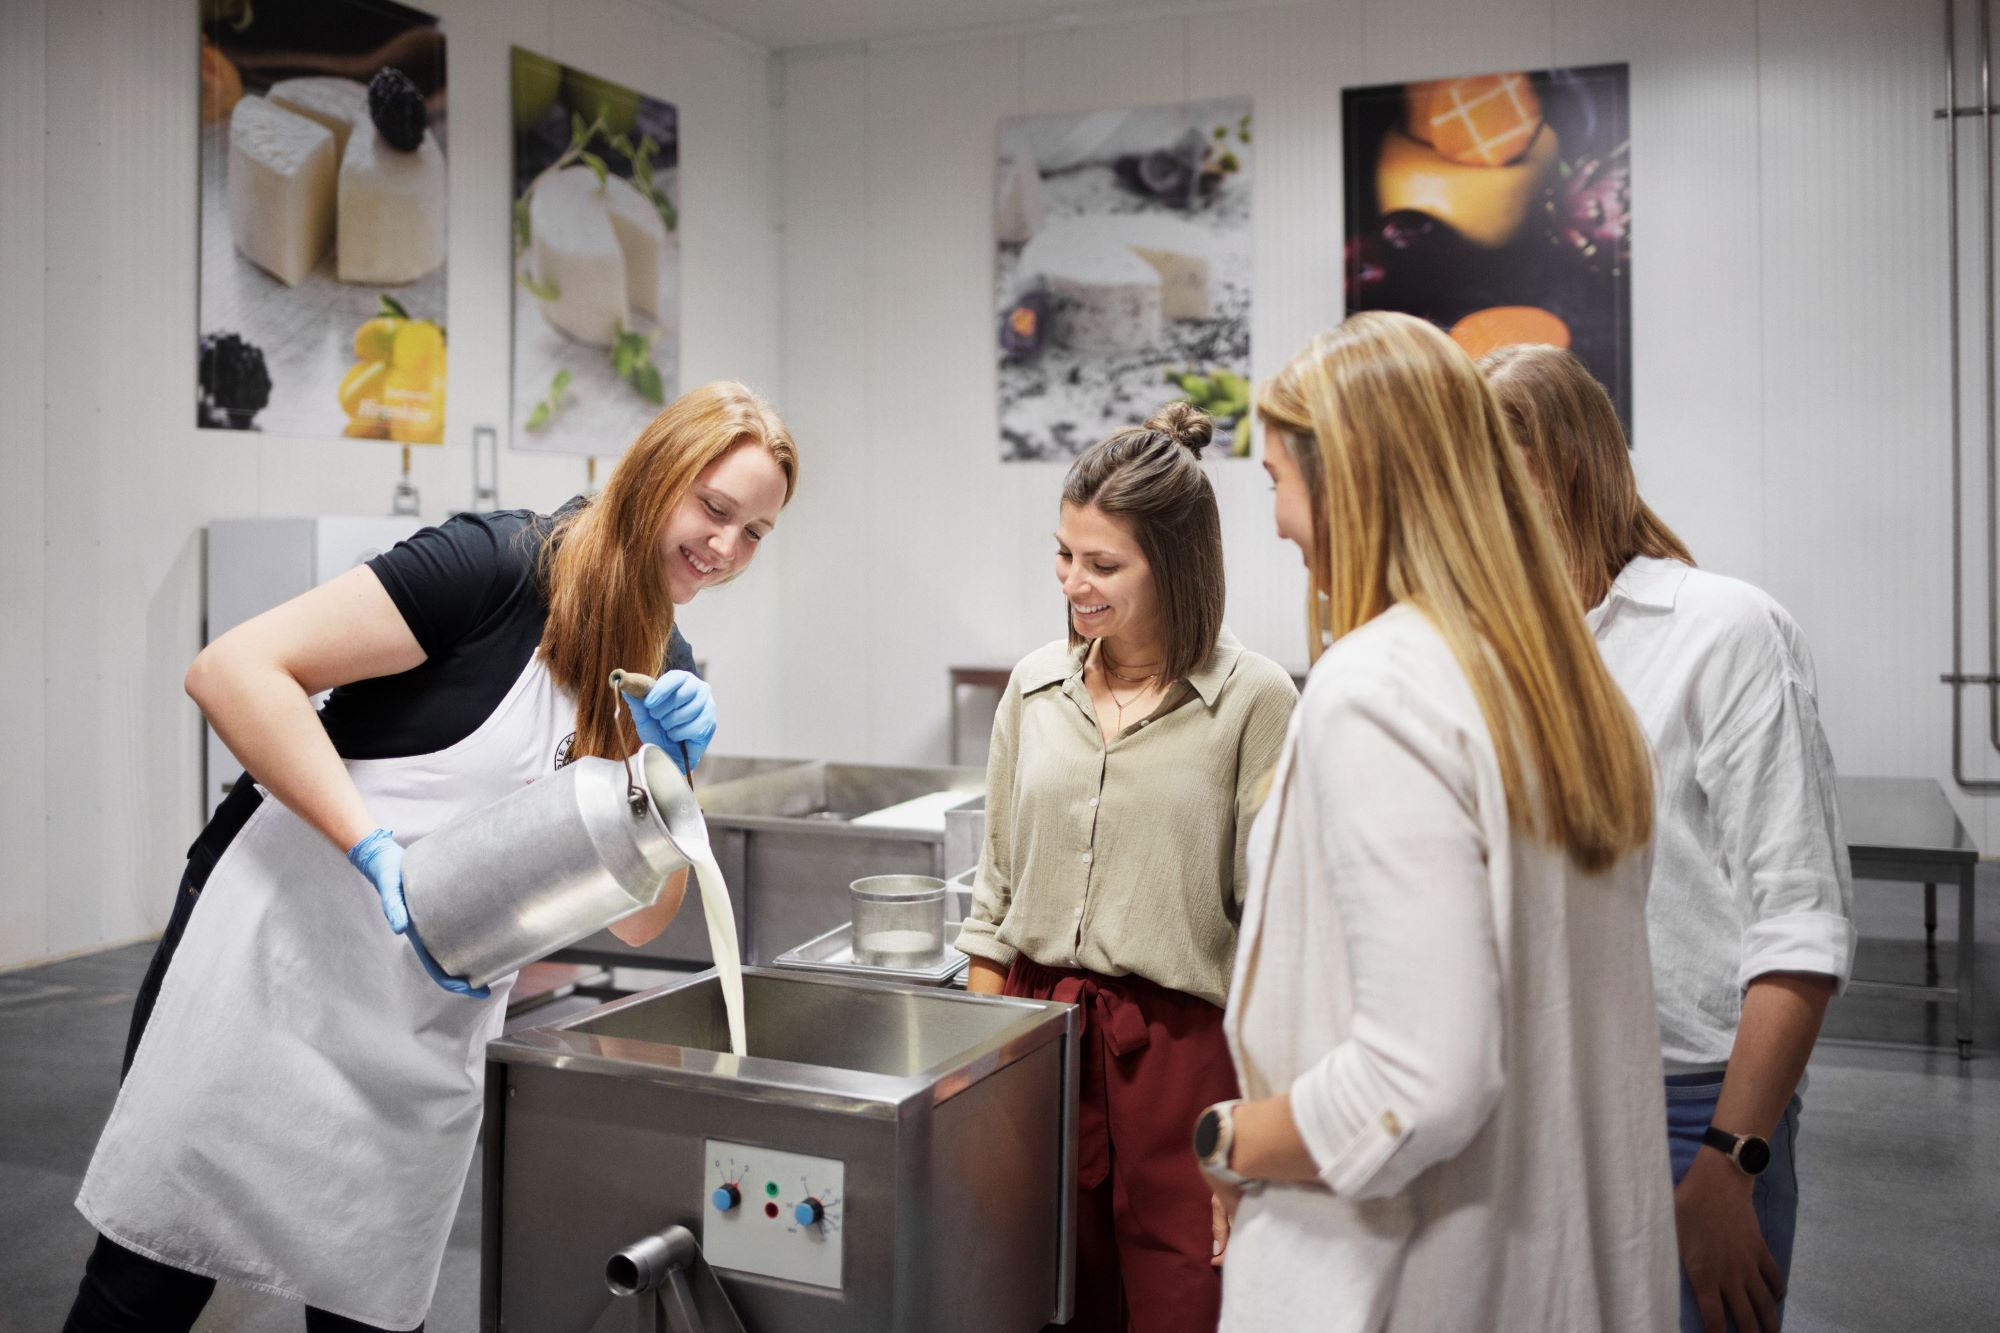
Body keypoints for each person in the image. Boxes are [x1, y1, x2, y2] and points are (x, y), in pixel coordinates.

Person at [63, 382, 798, 1332]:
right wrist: (372, 846)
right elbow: (234, 670)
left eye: (757, 533)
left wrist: (670, 792)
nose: (728, 549)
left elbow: (636, 917)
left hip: (421, 1015)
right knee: (151, 1277)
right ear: (656, 473)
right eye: (715, 508)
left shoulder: (664, 666)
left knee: (368, 1299)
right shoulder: (491, 566)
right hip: (274, 966)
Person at [1201, 313, 1677, 1331]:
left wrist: (1234, 1138)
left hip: (1410, 1276)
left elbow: (1420, 1079)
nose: (1278, 521)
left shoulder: (1380, 686)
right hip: (1557, 1270)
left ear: (1350, 486)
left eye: (1275, 480)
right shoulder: (1559, 685)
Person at [1482, 343, 1854, 1333]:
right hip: (1514, 1096)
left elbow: (1799, 923)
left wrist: (1729, 1162)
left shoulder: (1719, 632)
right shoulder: (1482, 653)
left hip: (1687, 1106)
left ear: (1554, 461)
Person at [955, 403, 1296, 1332]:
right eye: (1065, 554)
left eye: (1103, 564)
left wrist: (1250, 1133)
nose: (1074, 583)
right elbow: (995, 897)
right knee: (1038, 1301)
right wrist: (981, 1099)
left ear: (1177, 565)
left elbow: (1274, 937)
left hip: (1184, 1062)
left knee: (1184, 1302)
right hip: (1036, 1038)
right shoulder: (1031, 689)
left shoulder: (1254, 700)